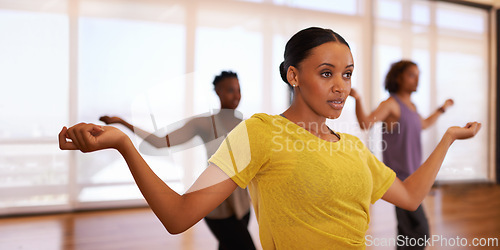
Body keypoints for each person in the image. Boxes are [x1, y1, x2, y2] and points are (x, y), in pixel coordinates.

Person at [59, 27, 480, 249]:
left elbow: (408, 197)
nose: (340, 87)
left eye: (347, 74)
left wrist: (445, 138)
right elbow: (178, 216)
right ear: (294, 76)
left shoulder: (352, 146)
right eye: (327, 73)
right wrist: (124, 142)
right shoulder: (259, 131)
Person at [99, 71, 255, 250]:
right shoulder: (204, 123)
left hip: (242, 206)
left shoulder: (247, 124)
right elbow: (160, 141)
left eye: (238, 90)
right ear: (218, 92)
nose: (236, 95)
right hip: (216, 206)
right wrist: (123, 123)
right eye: (230, 90)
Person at [349, 60, 454, 249]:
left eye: (418, 75)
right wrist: (357, 99)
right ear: (399, 77)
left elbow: (424, 124)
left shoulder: (411, 106)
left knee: (408, 231)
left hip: (414, 175)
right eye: (412, 75)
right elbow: (366, 123)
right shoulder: (390, 104)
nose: (417, 80)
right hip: (401, 178)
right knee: (419, 231)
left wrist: (442, 109)